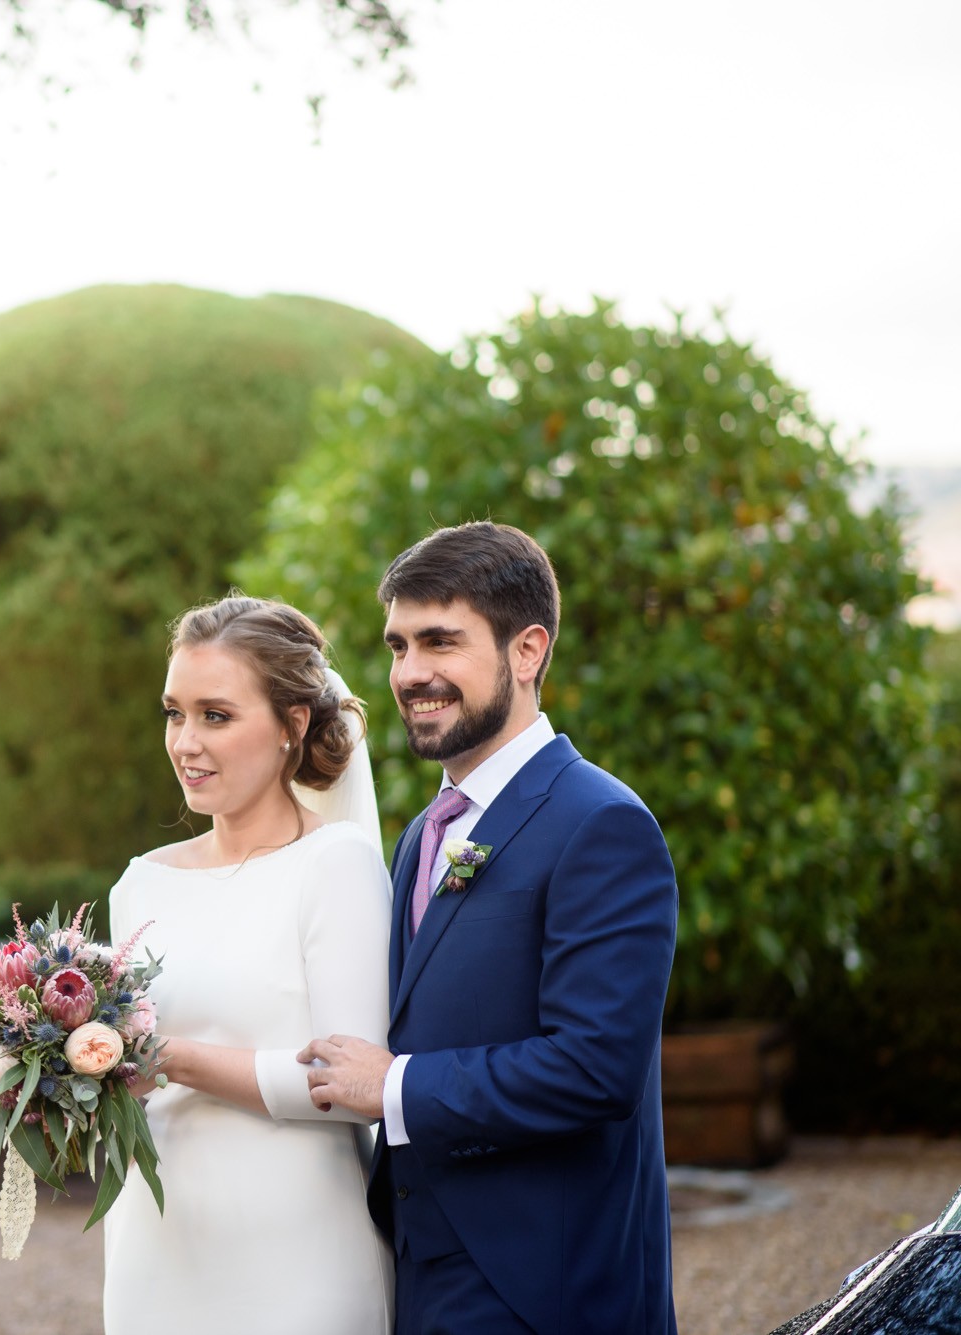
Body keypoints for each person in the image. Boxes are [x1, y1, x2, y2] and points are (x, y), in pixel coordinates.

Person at [301, 522, 679, 1335]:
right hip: (423, 1276)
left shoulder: (601, 823)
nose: (410, 673)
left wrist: (392, 1087)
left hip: (546, 1290)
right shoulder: (419, 837)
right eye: (398, 645)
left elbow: (594, 1068)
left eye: (441, 641)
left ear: (528, 650)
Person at [104, 595, 393, 1335]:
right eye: (175, 712)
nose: (186, 742)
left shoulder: (336, 865)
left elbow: (349, 1082)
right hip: (157, 1249)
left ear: (294, 724)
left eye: (216, 715)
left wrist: (172, 1057)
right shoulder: (141, 882)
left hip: (297, 1258)